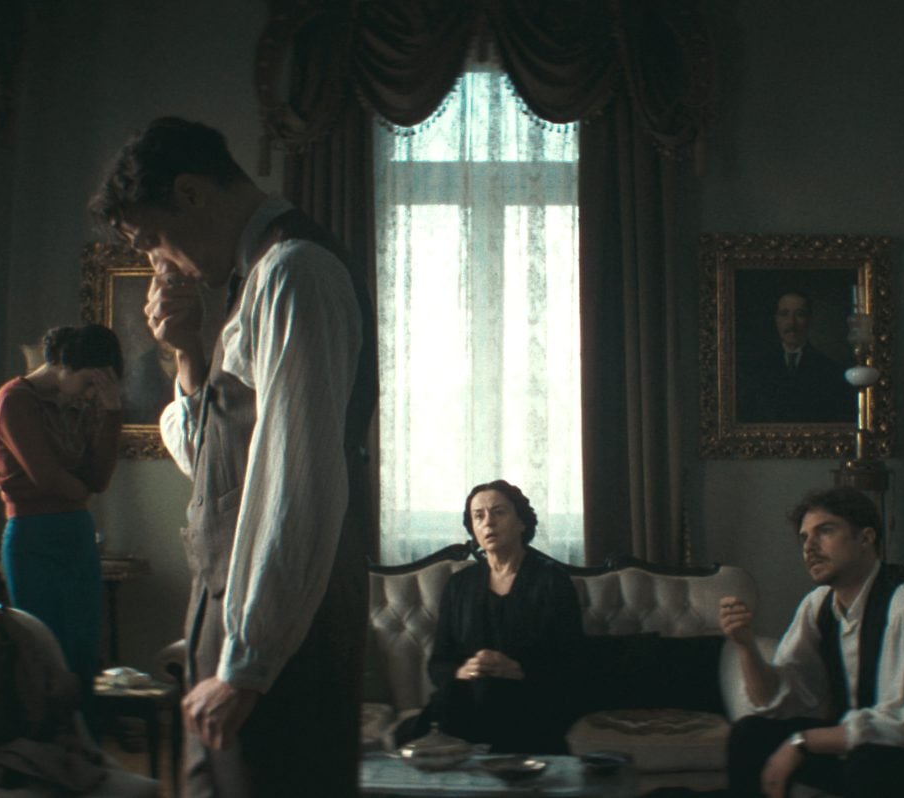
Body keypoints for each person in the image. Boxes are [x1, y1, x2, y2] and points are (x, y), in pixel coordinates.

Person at [89, 116, 374, 796]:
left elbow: (297, 479)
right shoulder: (257, 280)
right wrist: (188, 353)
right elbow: (211, 464)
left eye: (152, 242)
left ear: (190, 194)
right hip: (233, 617)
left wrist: (249, 664)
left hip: (277, 633)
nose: (159, 267)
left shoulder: (294, 273)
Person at [720, 487, 904, 798]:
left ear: (865, 538)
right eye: (804, 538)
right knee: (749, 734)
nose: (809, 547)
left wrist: (801, 742)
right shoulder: (819, 603)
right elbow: (777, 699)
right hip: (865, 750)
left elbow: (900, 725)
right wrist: (745, 646)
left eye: (825, 531)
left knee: (868, 761)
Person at [0, 323, 125, 690]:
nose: (91, 394)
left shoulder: (77, 407)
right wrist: (79, 493)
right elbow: (46, 477)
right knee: (43, 649)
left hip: (77, 533)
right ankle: (49, 728)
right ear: (65, 364)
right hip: (33, 535)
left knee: (84, 648)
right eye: (90, 383)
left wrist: (112, 411)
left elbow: (98, 480)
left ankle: (85, 727)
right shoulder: (15, 400)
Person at [404, 480, 585, 754]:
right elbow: (439, 661)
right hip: (467, 696)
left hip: (532, 695)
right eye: (478, 516)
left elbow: (572, 661)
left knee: (487, 695)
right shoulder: (459, 585)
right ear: (473, 529)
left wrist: (517, 669)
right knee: (459, 698)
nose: (488, 522)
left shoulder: (551, 580)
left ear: (521, 522)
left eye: (498, 512)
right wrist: (464, 670)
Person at [738, 291, 857, 424]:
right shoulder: (756, 369)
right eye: (784, 314)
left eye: (800, 314)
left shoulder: (830, 370)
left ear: (810, 320)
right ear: (776, 319)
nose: (791, 323)